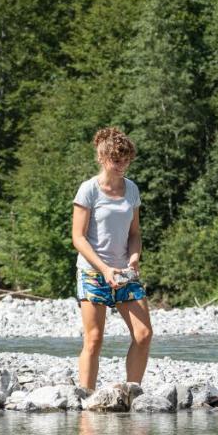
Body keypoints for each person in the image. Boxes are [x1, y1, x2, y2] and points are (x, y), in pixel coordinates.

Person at [71, 127, 153, 389]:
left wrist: (134, 257)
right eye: (117, 160)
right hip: (94, 272)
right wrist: (105, 269)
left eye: (127, 159)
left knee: (143, 334)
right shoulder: (88, 191)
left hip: (124, 272)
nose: (123, 165)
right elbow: (78, 238)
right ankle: (85, 396)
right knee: (94, 339)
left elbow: (135, 233)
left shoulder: (131, 190)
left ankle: (132, 392)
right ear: (102, 158)